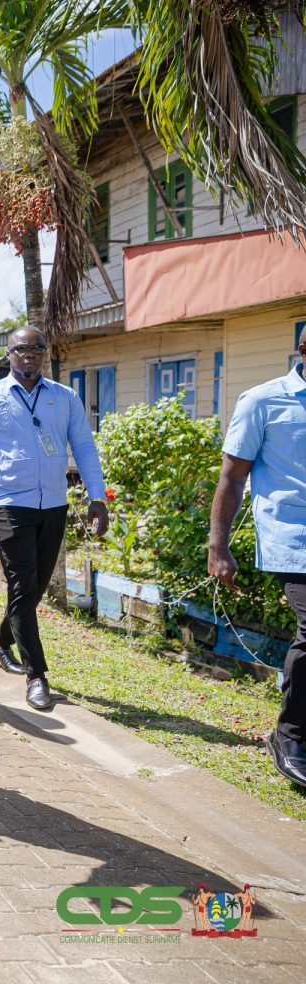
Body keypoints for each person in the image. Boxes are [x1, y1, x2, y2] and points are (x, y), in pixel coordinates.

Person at [0, 325, 108, 711]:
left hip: (53, 502)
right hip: (6, 501)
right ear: (9, 354)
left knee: (33, 588)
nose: (30, 354)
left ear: (44, 354)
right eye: (22, 348)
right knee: (22, 584)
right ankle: (37, 675)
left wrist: (97, 496)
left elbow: (83, 446)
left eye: (37, 348)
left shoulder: (64, 398)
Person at [210, 327, 306, 789]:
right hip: (294, 536)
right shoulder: (263, 401)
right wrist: (218, 546)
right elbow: (232, 477)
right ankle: (290, 736)